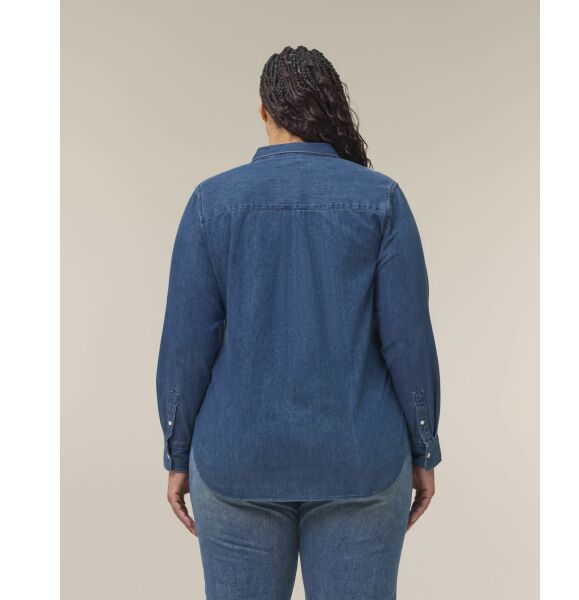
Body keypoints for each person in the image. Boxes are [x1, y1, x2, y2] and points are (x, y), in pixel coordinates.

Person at [156, 45, 442, 600]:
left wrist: (178, 451)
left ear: (264, 110)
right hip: (360, 458)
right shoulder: (380, 199)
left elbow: (186, 345)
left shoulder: (212, 203)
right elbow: (408, 340)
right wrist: (423, 447)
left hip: (237, 459)